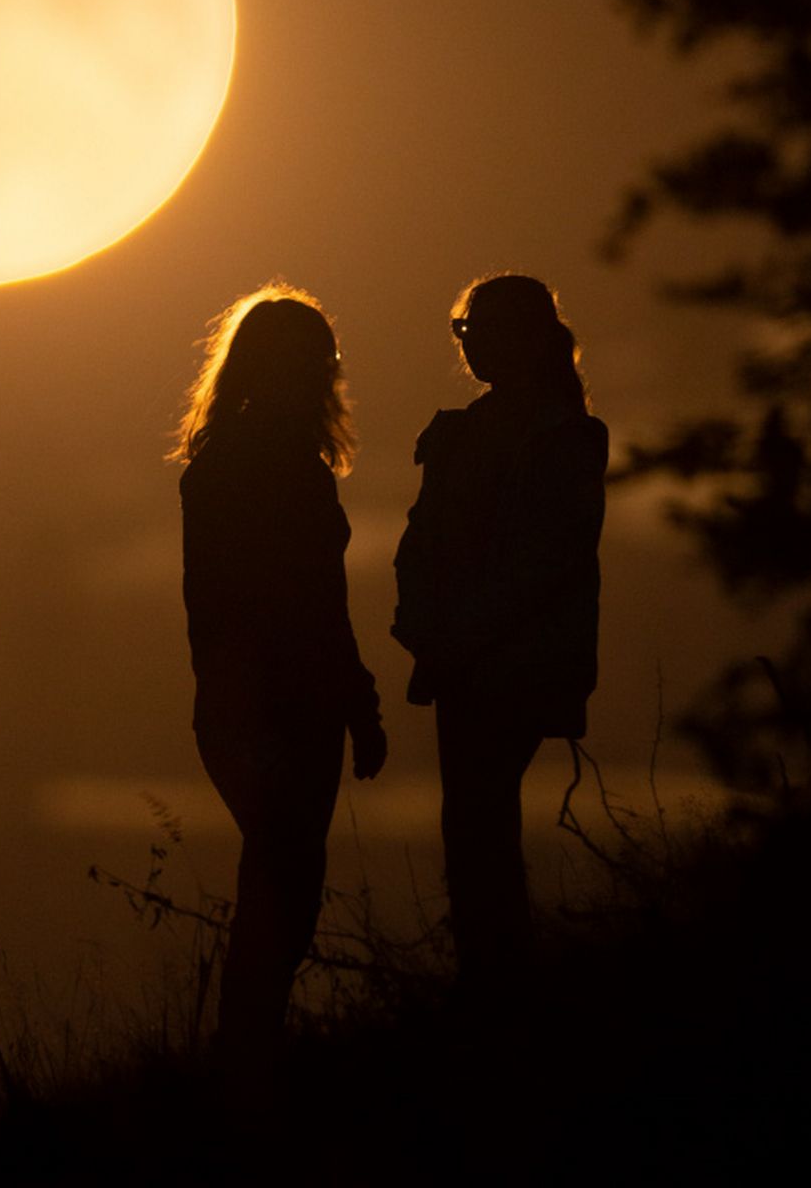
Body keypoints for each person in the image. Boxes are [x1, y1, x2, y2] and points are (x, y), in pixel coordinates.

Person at [172, 283, 387, 1076]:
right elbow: (309, 604)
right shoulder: (277, 467)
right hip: (280, 704)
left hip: (252, 701)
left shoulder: (226, 459)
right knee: (285, 878)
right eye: (321, 359)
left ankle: (247, 1052)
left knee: (280, 872)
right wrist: (357, 705)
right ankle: (246, 1059)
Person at [392, 274, 607, 991]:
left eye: (480, 327)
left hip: (505, 662)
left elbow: (544, 562)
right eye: (464, 329)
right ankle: (492, 978)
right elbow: (422, 539)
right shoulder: (464, 433)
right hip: (465, 658)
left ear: (523, 337)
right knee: (474, 826)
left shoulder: (565, 437)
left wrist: (457, 633)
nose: (471, 341)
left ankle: (497, 985)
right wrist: (420, 618)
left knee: (479, 826)